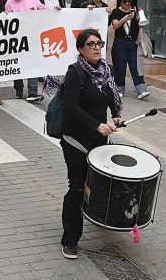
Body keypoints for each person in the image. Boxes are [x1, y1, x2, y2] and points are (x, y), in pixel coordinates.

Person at [59, 28, 122, 259]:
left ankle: (95, 215)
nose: (96, 47)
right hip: (75, 139)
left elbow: (111, 95)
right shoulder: (75, 73)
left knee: (96, 184)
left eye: (99, 43)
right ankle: (70, 240)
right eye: (91, 44)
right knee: (77, 187)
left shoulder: (107, 70)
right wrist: (96, 125)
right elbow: (71, 108)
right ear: (81, 49)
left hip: (99, 139)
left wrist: (115, 114)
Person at [5, 0, 48, 102]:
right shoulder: (9, 4)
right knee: (18, 65)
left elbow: (43, 9)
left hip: (33, 37)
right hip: (18, 40)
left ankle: (32, 92)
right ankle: (18, 90)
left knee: (33, 64)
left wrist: (55, 10)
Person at [110, 0, 150, 99]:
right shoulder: (116, 12)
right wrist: (125, 18)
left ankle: (141, 89)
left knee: (136, 66)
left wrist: (139, 20)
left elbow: (141, 25)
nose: (127, 4)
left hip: (133, 42)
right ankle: (119, 89)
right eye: (125, 1)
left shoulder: (136, 11)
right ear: (120, 2)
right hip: (120, 42)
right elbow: (115, 26)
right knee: (120, 67)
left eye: (129, 1)